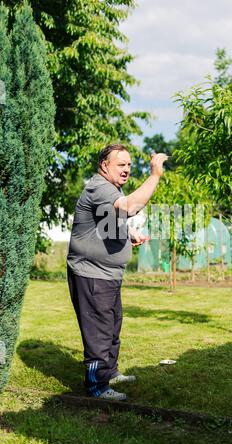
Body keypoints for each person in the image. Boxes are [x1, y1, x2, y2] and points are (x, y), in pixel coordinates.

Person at [67, 143, 168, 401]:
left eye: (129, 165)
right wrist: (154, 174)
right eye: (120, 165)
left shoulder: (112, 188)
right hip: (92, 274)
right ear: (104, 165)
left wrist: (128, 233)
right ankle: (97, 387)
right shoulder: (100, 187)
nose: (126, 170)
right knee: (98, 330)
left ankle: (109, 372)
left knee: (112, 326)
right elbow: (128, 207)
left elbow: (109, 221)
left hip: (108, 274)